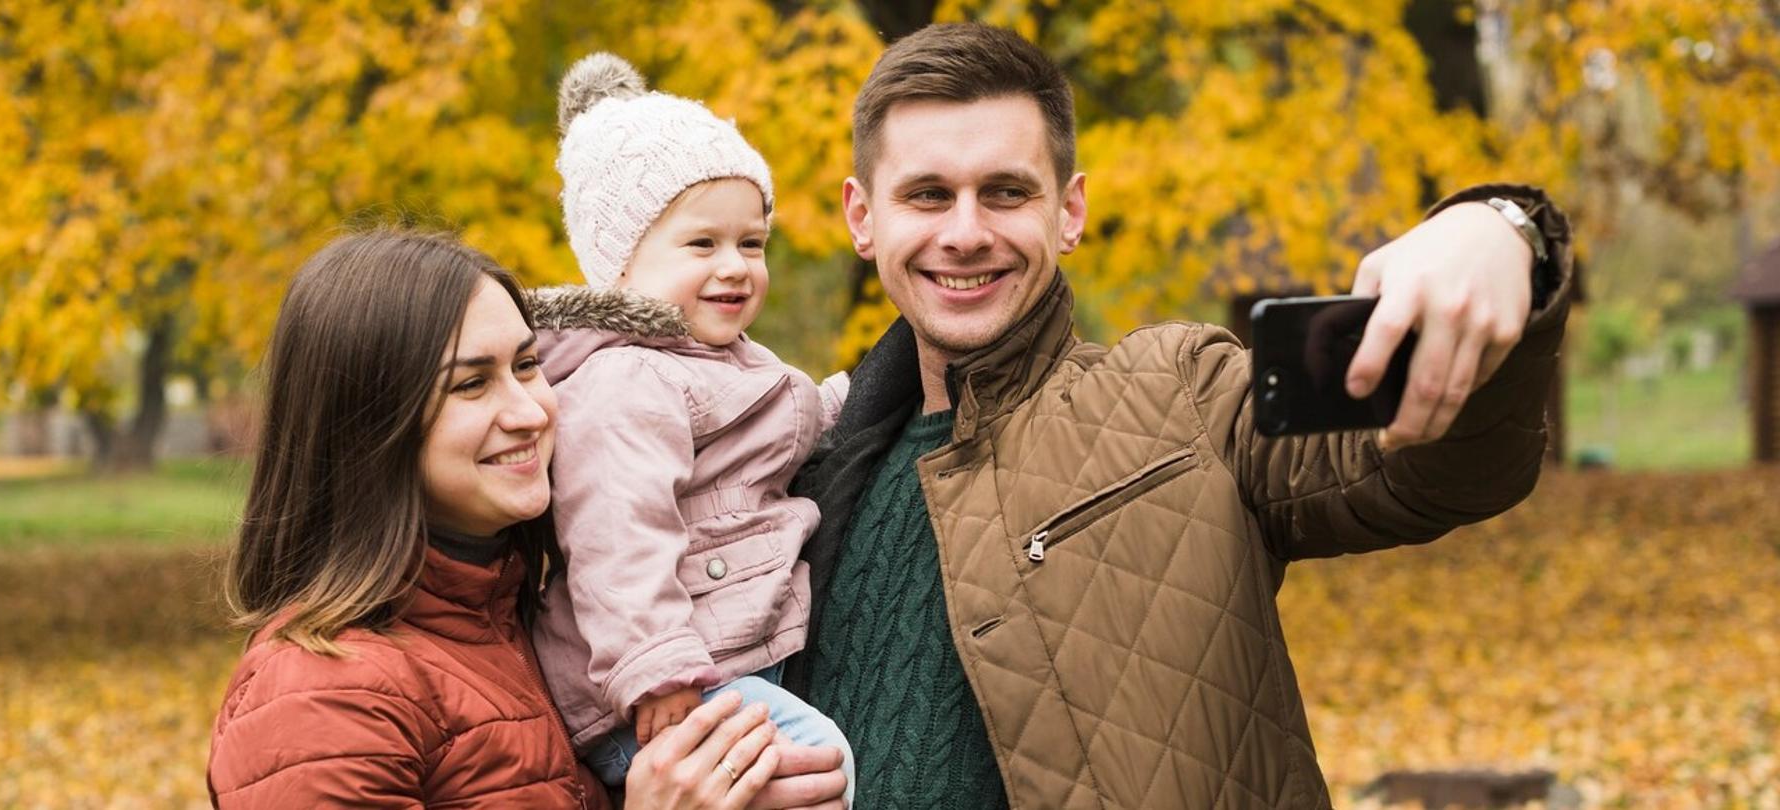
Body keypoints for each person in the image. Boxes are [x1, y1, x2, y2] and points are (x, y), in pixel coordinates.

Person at [783, 23, 1574, 809]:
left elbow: (1436, 471)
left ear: (1069, 210)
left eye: (1006, 192)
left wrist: (1506, 232)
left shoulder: (1185, 396)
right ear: (863, 217)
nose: (965, 232)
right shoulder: (791, 475)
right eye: (928, 195)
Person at [205, 229, 843, 809]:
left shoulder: (532, 631)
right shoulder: (321, 696)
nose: (531, 412)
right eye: (471, 385)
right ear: (368, 427)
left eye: (527, 365)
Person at [525, 54, 855, 802]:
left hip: (710, 667)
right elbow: (618, 533)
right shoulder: (625, 380)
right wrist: (657, 672)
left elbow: (793, 419)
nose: (735, 267)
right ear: (621, 264)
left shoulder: (722, 360)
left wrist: (857, 395)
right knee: (821, 764)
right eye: (702, 245)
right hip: (656, 694)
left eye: (752, 243)